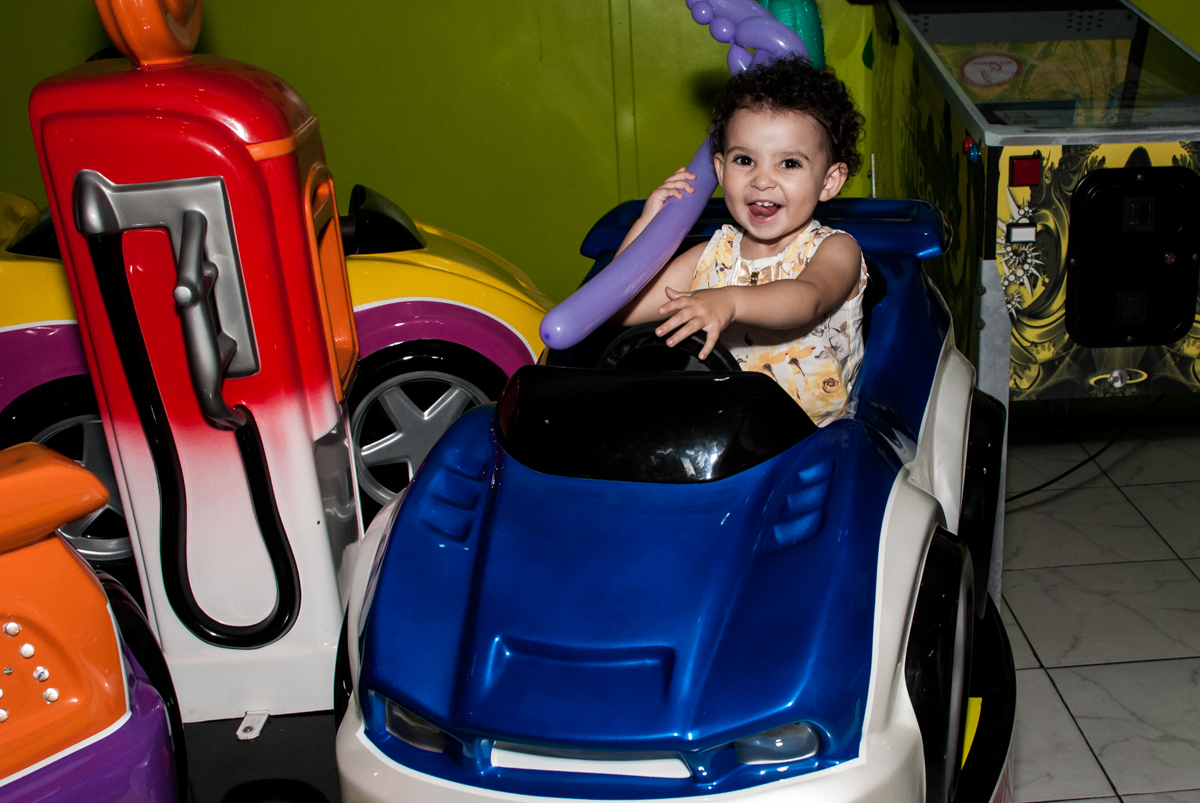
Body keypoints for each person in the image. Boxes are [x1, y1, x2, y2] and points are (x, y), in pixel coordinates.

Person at [612, 55, 866, 426]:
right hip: (722, 434)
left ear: (828, 181)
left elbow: (807, 298)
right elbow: (623, 308)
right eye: (745, 160)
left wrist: (728, 301)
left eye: (789, 163)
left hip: (814, 440)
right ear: (720, 169)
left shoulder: (835, 249)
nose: (762, 180)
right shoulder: (711, 256)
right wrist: (650, 224)